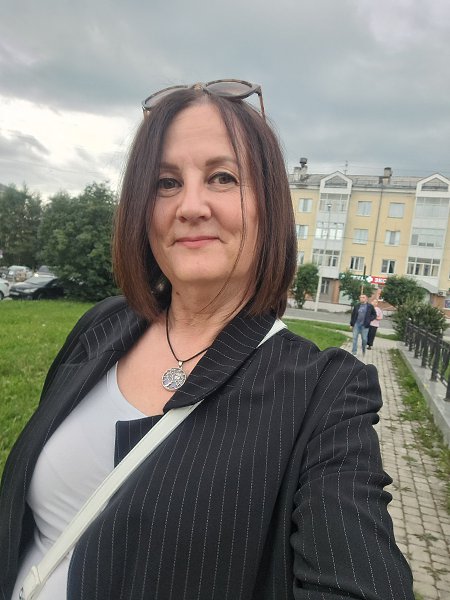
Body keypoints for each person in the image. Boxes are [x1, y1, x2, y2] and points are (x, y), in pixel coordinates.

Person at [0, 80, 414, 600]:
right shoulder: (103, 324)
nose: (190, 206)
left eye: (222, 177)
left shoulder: (326, 394)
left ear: (268, 206)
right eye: (166, 183)